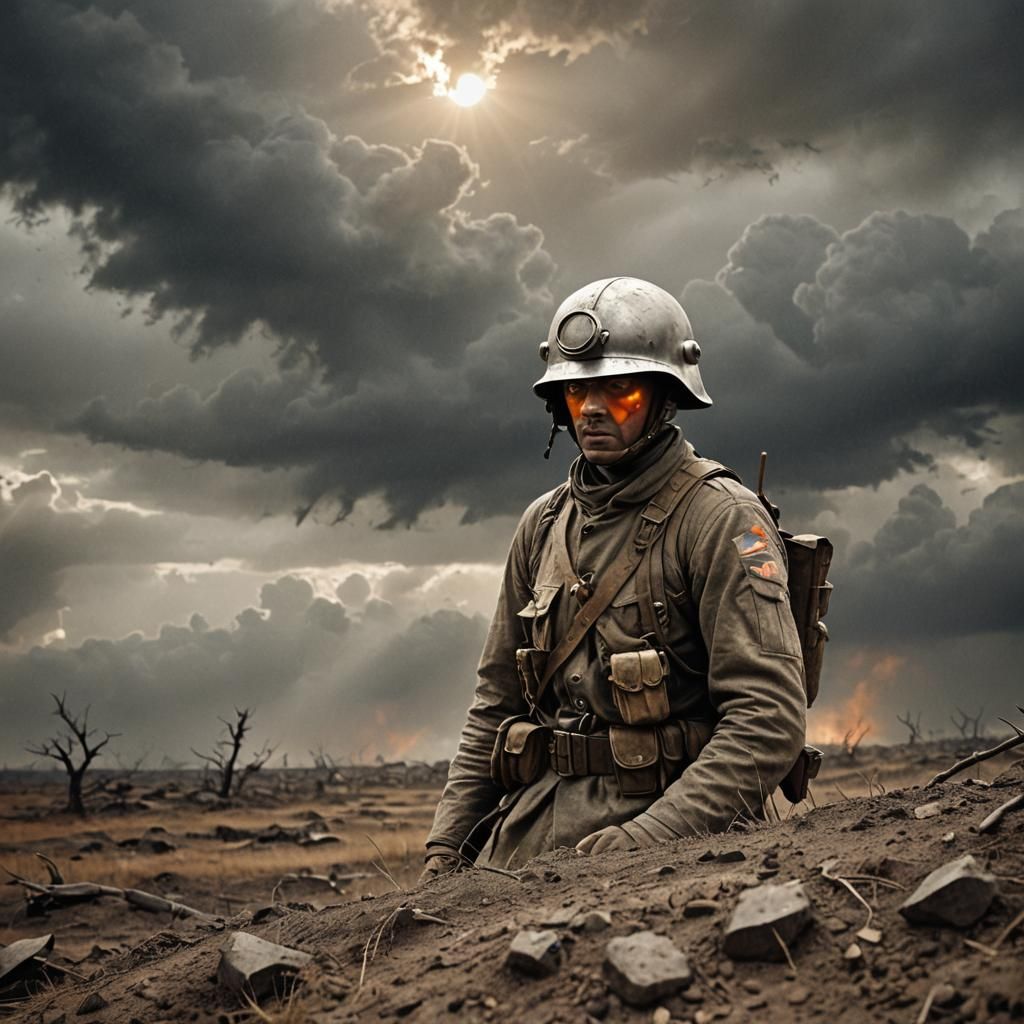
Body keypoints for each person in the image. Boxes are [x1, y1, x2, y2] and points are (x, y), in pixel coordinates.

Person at [423, 277, 806, 874]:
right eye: (577, 392)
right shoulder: (544, 524)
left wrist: (649, 837)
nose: (594, 409)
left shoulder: (718, 516)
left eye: (620, 390)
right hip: (529, 832)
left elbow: (768, 717)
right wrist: (446, 848)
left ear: (663, 397)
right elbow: (495, 702)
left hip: (670, 838)